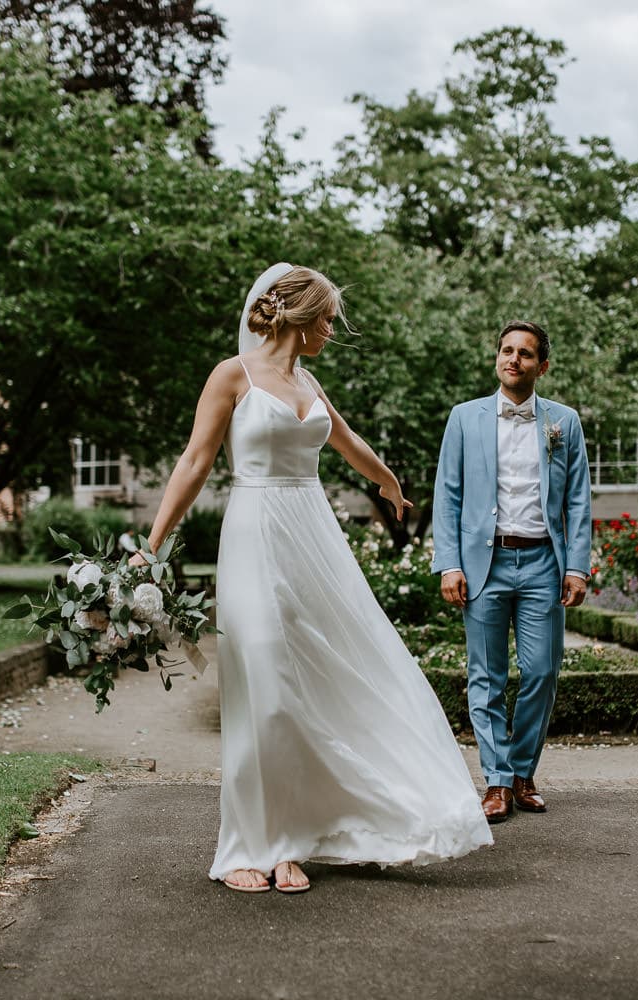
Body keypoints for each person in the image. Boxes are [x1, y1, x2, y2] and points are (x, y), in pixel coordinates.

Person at [136, 263, 492, 894]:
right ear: (298, 316)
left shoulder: (309, 379)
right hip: (255, 533)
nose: (332, 330)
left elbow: (346, 440)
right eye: (327, 319)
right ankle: (250, 844)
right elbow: (194, 461)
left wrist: (388, 481)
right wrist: (151, 546)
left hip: (314, 538)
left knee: (321, 679)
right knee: (265, 684)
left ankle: (293, 840)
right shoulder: (232, 375)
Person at [430, 321, 593, 823]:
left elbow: (578, 499)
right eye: (506, 350)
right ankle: (498, 781)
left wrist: (577, 567)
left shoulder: (564, 422)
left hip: (544, 562)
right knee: (486, 676)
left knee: (542, 671)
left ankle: (523, 772)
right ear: (497, 358)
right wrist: (449, 563)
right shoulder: (465, 418)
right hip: (485, 564)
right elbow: (448, 494)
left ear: (542, 366)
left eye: (525, 353)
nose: (513, 359)